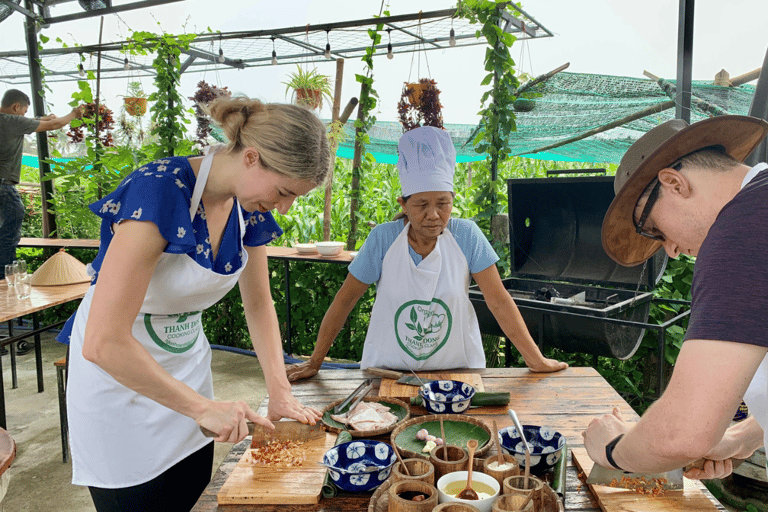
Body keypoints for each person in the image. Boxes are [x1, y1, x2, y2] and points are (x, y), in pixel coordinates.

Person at [56, 95, 330, 511]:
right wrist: (202, 407)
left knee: (191, 493)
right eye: (284, 192)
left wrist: (279, 389)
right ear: (252, 158)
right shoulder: (161, 189)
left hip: (186, 375)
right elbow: (103, 341)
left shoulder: (248, 209)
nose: (285, 207)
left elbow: (258, 304)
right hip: (119, 384)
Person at [287, 126, 567, 382]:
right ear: (403, 204)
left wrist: (535, 359)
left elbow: (499, 302)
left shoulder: (467, 236)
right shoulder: (383, 239)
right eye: (421, 204)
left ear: (453, 200)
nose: (433, 215)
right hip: (387, 374)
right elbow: (344, 301)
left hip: (458, 373)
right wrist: (315, 362)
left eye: (443, 203)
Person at [583, 115, 768, 480]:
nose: (670, 249)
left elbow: (683, 433)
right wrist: (742, 437)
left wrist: (612, 449)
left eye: (653, 228)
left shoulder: (742, 228)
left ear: (674, 183)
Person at [0, 89, 83, 355]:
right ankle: (6, 280)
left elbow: (43, 122)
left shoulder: (7, 120)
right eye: (24, 111)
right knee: (8, 240)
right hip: (3, 187)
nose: (25, 117)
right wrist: (75, 114)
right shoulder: (11, 121)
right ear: (15, 107)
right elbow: (55, 125)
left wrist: (43, 118)